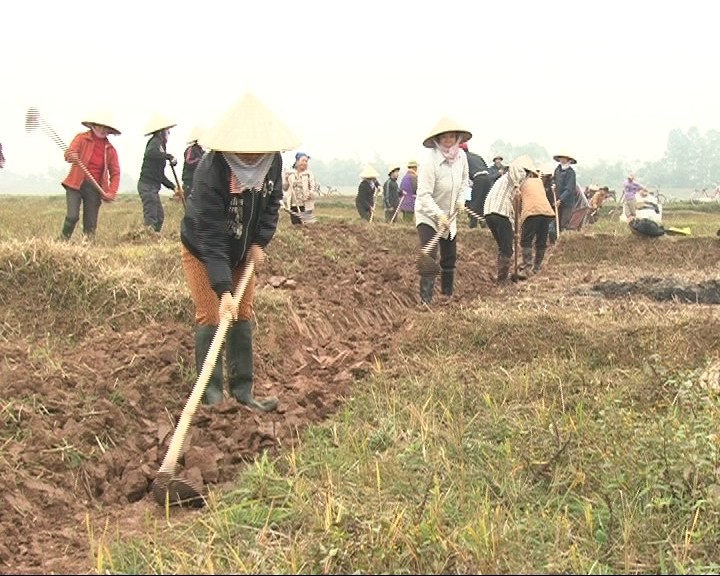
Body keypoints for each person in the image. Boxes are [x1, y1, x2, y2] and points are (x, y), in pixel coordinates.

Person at [180, 92, 299, 410]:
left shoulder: (272, 162)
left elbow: (272, 206)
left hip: (243, 248)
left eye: (255, 153)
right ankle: (212, 397)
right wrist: (223, 290)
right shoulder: (211, 172)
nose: (250, 158)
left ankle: (243, 393)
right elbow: (211, 237)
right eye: (243, 153)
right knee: (212, 313)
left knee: (242, 315)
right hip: (203, 249)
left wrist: (260, 242)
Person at [415, 117, 470, 304]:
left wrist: (461, 200)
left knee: (449, 256)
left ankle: (447, 297)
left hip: (450, 215)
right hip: (428, 215)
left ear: (457, 138)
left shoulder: (462, 157)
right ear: (438, 140)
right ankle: (426, 301)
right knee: (430, 256)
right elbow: (423, 195)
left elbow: (465, 184)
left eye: (451, 137)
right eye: (444, 137)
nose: (448, 140)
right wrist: (438, 215)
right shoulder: (430, 162)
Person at [59, 113, 121, 241]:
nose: (103, 130)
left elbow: (115, 173)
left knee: (90, 225)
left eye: (106, 127)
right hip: (75, 183)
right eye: (100, 126)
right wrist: (73, 156)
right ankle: (62, 242)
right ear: (93, 125)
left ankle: (87, 250)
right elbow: (68, 155)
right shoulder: (81, 139)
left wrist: (111, 191)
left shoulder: (110, 150)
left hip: (94, 187)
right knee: (72, 216)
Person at [483, 156, 534, 283]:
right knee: (507, 249)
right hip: (500, 211)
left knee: (503, 247)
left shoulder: (504, 179)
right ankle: (502, 280)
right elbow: (515, 169)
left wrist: (515, 228)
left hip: (489, 211)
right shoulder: (518, 172)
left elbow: (515, 206)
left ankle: (501, 276)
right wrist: (517, 185)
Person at [138, 113, 181, 233]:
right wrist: (169, 157)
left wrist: (173, 187)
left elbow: (160, 176)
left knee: (159, 217)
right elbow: (150, 154)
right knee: (151, 216)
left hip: (153, 186)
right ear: (161, 132)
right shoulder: (154, 142)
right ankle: (147, 238)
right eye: (167, 131)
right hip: (147, 186)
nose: (168, 134)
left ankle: (154, 237)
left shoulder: (161, 146)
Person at [516, 155, 554, 278]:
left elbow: (517, 203)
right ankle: (536, 267)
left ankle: (527, 267)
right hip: (546, 213)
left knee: (526, 240)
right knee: (541, 241)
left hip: (532, 213)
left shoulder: (520, 184)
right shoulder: (538, 181)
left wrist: (518, 218)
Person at [459, 142, 491, 227]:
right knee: (483, 202)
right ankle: (484, 223)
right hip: (488, 178)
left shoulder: (462, 158)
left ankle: (473, 225)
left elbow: (462, 175)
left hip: (478, 179)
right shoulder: (476, 156)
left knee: (474, 203)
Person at [283, 151, 317, 224]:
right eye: (303, 161)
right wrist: (285, 179)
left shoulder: (308, 174)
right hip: (293, 204)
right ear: (297, 161)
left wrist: (310, 194)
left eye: (306, 161)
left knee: (307, 225)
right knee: (296, 225)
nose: (304, 163)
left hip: (305, 204)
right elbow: (285, 188)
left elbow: (313, 187)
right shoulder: (290, 173)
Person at [552, 151, 577, 232]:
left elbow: (569, 189)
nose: (562, 160)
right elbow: (553, 179)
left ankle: (563, 241)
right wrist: (553, 184)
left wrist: (561, 199)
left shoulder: (571, 173)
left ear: (568, 159)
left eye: (564, 158)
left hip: (567, 202)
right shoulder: (557, 170)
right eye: (561, 158)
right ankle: (555, 242)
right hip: (557, 200)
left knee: (564, 223)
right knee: (556, 222)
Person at [182, 126, 204, 201]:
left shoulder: (201, 151)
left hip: (197, 181)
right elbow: (188, 162)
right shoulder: (191, 149)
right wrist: (199, 161)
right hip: (189, 181)